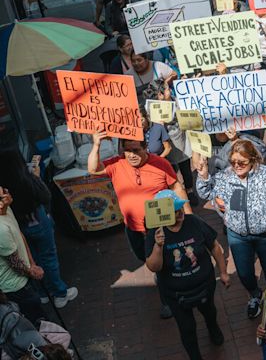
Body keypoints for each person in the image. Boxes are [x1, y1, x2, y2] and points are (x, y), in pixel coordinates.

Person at [87, 133, 191, 318]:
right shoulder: (116, 164)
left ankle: (168, 300)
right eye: (127, 150)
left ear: (146, 149)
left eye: (136, 150)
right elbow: (93, 169)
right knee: (143, 257)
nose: (131, 154)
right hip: (133, 228)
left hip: (160, 226)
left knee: (162, 265)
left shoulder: (160, 164)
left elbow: (176, 187)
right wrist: (96, 145)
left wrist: (189, 217)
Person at [196, 139, 266, 319]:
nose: (236, 166)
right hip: (237, 235)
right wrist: (203, 175)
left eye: (242, 162)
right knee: (244, 272)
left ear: (253, 159)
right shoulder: (225, 177)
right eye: (233, 162)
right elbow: (206, 193)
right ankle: (255, 295)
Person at [145, 190, 230, 360]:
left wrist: (223, 272)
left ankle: (213, 328)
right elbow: (154, 266)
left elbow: (214, 246)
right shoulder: (155, 233)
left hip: (204, 285)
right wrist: (158, 246)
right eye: (175, 212)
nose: (180, 214)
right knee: (187, 328)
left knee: (209, 312)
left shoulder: (194, 222)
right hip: (176, 295)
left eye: (180, 209)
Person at [0, 148, 78, 309]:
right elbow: (45, 196)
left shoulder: (3, 188)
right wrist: (36, 177)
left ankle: (43, 293)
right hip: (38, 222)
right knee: (49, 257)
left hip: (20, 229)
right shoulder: (26, 179)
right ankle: (60, 293)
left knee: (32, 259)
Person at [142, 79, 198, 206]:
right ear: (160, 94)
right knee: (170, 169)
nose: (169, 90)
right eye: (167, 89)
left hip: (180, 140)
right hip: (164, 142)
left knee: (185, 167)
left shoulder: (176, 101)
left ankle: (189, 190)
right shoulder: (150, 107)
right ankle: (176, 192)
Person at [0, 187, 46, 324]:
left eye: (6, 191)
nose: (9, 196)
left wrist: (32, 263)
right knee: (35, 320)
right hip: (16, 286)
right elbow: (14, 263)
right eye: (4, 196)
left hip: (25, 273)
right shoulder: (1, 229)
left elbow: (19, 234)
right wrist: (31, 271)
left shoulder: (6, 210)